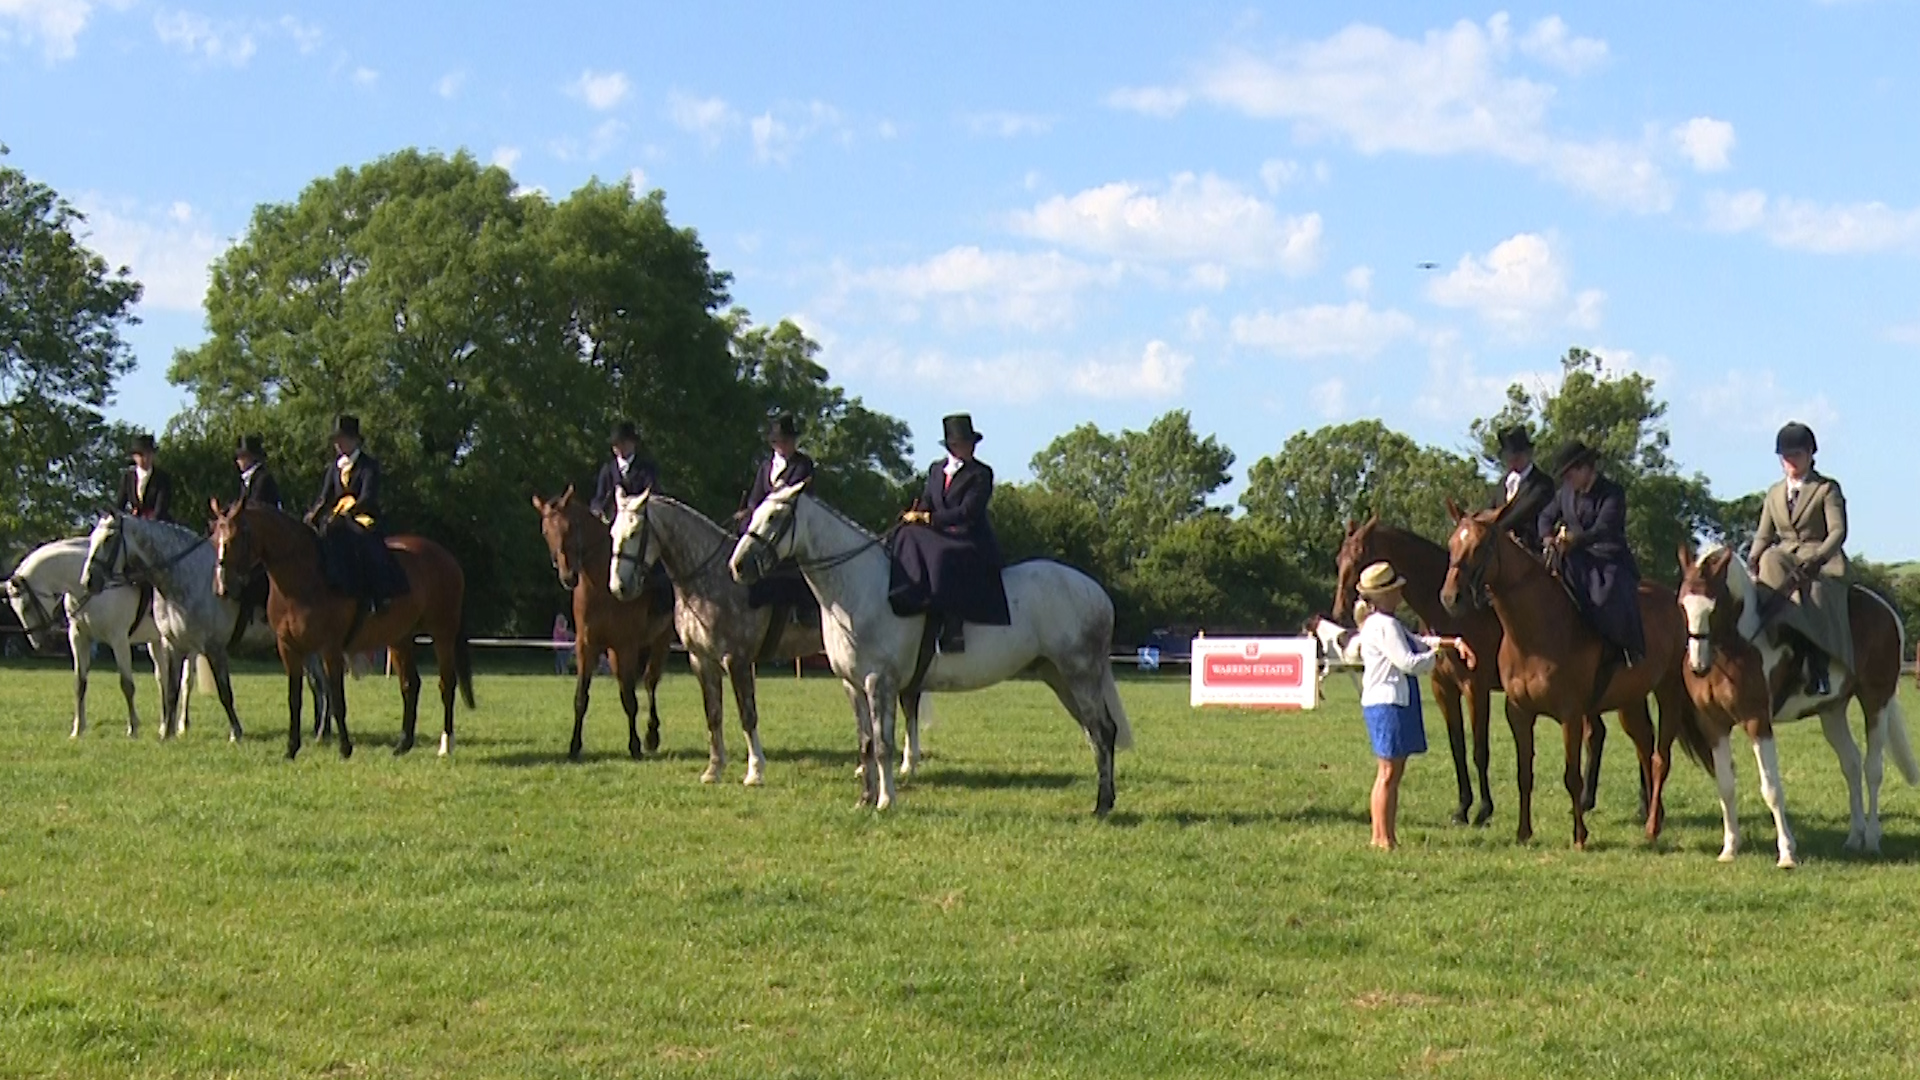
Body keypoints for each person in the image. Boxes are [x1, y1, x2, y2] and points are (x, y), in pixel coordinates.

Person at [1349, 561, 1474, 850]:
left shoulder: (1378, 624)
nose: (1399, 595)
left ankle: (1383, 836)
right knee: (1389, 775)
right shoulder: (1386, 625)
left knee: (1388, 774)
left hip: (1383, 701)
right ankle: (1382, 837)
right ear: (1383, 595)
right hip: (1389, 701)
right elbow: (1407, 660)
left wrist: (1450, 643)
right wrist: (1437, 660)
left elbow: (1417, 641)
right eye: (1395, 591)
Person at [889, 413, 1008, 653]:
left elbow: (967, 512)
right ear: (953, 446)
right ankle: (908, 596)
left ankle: (953, 627)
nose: (969, 448)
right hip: (940, 533)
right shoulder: (936, 470)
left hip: (969, 537)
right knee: (905, 536)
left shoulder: (981, 474)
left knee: (941, 555)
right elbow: (927, 500)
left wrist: (928, 519)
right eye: (965, 444)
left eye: (971, 444)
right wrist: (913, 516)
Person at [1748, 421, 1850, 696]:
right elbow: (1763, 535)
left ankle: (1819, 668)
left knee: (1815, 595)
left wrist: (1818, 558)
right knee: (1767, 564)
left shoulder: (1826, 489)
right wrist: (1752, 557)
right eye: (1786, 456)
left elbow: (1838, 531)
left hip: (1820, 561)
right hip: (1782, 558)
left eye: (1797, 455)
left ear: (1809, 455)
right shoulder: (1773, 493)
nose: (1791, 461)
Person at [1538, 440, 1645, 666]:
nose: (1568, 480)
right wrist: (1549, 538)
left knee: (1604, 594)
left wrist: (1574, 540)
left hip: (1607, 557)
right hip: (1572, 556)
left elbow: (1604, 529)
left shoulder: (1612, 493)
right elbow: (1546, 517)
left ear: (1586, 468)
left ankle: (1622, 647)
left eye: (1570, 474)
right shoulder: (1565, 493)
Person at [307, 414, 408, 609]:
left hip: (363, 515)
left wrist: (348, 513)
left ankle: (377, 595)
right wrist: (314, 514)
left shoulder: (368, 465)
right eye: (336, 440)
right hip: (337, 516)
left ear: (354, 440)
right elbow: (325, 497)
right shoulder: (333, 468)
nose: (338, 444)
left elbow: (368, 496)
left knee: (364, 543)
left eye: (342, 439)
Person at [735, 413, 817, 615]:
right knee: (743, 527)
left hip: (788, 518)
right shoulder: (765, 467)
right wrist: (752, 511)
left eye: (788, 441)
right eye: (781, 441)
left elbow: (795, 493)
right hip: (764, 516)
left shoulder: (803, 464)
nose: (784, 445)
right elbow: (755, 497)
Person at [1489, 426, 1554, 555]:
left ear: (1528, 453)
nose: (1513, 459)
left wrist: (1495, 529)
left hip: (1531, 552)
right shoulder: (1502, 484)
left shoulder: (1542, 483)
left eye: (1517, 454)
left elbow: (1521, 513)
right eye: (1509, 455)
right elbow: (1492, 511)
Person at [589, 421, 659, 524]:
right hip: (612, 522)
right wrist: (597, 509)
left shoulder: (646, 468)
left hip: (638, 521)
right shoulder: (608, 469)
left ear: (633, 443)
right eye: (616, 445)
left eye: (624, 443)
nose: (620, 448)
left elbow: (654, 495)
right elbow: (600, 496)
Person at [116, 433, 174, 522]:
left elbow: (161, 507)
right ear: (134, 457)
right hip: (135, 522)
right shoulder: (127, 477)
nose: (145, 458)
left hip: (159, 524)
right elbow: (120, 504)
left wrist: (151, 519)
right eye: (141, 455)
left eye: (148, 454)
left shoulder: (162, 478)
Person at [235, 433, 282, 510]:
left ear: (251, 457)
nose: (238, 461)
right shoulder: (245, 480)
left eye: (242, 457)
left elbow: (255, 507)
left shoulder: (263, 478)